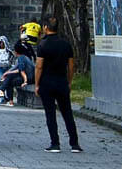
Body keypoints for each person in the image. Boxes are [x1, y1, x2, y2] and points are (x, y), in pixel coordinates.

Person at [35, 16, 82, 153]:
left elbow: (39, 66)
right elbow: (71, 66)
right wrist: (69, 81)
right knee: (67, 113)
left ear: (45, 27)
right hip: (62, 82)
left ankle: (55, 143)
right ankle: (75, 144)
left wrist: (37, 84)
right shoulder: (65, 44)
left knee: (50, 114)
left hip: (47, 83)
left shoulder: (43, 45)